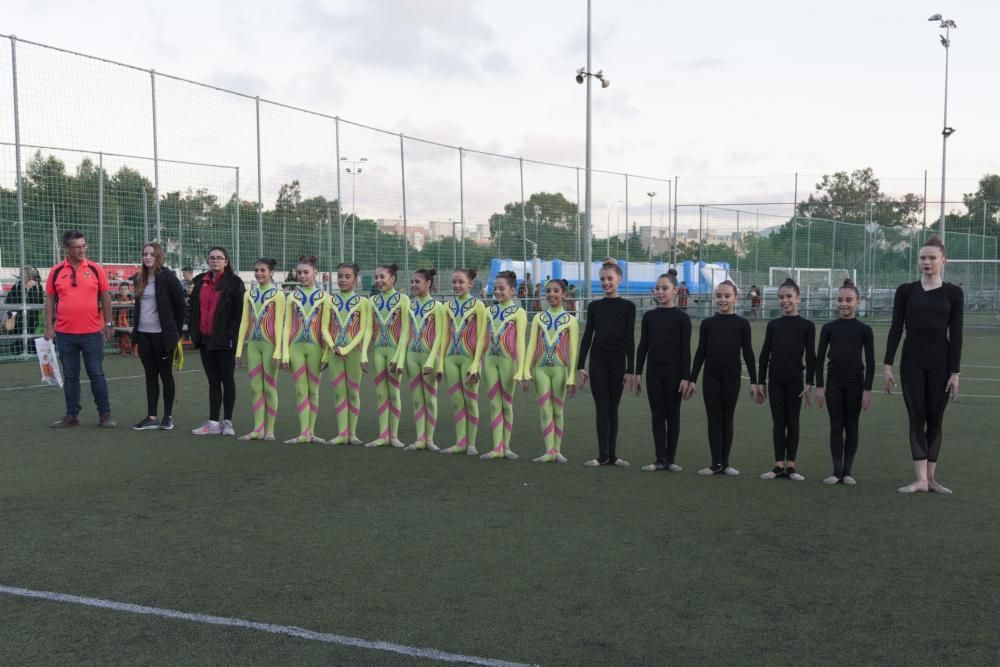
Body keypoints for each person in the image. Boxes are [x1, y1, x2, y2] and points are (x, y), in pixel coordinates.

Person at [883, 236, 963, 495]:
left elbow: (957, 334)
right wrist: (887, 365)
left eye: (932, 257)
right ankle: (919, 479)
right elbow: (896, 328)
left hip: (941, 363)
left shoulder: (954, 293)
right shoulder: (905, 291)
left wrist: (955, 372)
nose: (926, 262)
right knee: (916, 417)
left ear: (943, 260)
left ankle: (931, 479)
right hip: (912, 362)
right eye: (922, 258)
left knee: (935, 418)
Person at [44, 230, 117, 428]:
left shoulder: (95, 269)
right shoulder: (56, 271)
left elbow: (105, 296)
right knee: (70, 376)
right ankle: (72, 415)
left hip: (92, 333)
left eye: (84, 245)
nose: (82, 249)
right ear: (66, 248)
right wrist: (49, 326)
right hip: (65, 334)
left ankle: (105, 415)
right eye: (77, 246)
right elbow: (50, 299)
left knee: (96, 373)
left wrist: (108, 323)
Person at [688, 280, 758, 476]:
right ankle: (715, 463)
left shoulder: (742, 324)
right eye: (718, 296)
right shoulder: (707, 324)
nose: (722, 300)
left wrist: (754, 381)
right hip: (711, 376)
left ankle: (725, 463)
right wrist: (692, 379)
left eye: (727, 296)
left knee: (727, 418)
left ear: (735, 298)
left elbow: (749, 353)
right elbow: (701, 352)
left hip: (731, 377)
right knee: (713, 419)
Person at [815, 278, 874, 486]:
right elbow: (819, 358)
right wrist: (820, 386)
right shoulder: (829, 328)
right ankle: (836, 471)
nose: (843, 304)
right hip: (834, 383)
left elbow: (871, 362)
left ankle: (848, 472)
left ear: (857, 302)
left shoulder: (864, 330)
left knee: (852, 425)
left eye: (848, 300)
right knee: (836, 426)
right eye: (840, 300)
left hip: (855, 383)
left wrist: (867, 390)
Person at [578, 259, 636, 468]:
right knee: (602, 408)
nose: (606, 282)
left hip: (618, 363)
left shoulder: (628, 307)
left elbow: (630, 340)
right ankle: (602, 455)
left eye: (610, 278)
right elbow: (587, 336)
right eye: (602, 279)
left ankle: (612, 455)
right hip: (598, 363)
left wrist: (631, 369)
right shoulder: (594, 306)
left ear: (619, 279)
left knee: (613, 408)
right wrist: (581, 365)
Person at [756, 278, 815, 481]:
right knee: (778, 422)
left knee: (793, 421)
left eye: (789, 296)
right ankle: (778, 465)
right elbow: (765, 354)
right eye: (781, 297)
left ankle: (791, 465)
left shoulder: (807, 326)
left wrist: (809, 382)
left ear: (798, 298)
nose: (785, 300)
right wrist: (760, 382)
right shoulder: (773, 325)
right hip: (776, 380)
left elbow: (811, 355)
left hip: (795, 381)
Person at [635, 269, 692, 472]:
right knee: (657, 415)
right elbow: (643, 346)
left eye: (665, 288)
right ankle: (660, 459)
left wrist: (687, 377)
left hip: (675, 374)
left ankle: (671, 459)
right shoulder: (649, 316)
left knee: (673, 414)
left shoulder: (682, 319)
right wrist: (638, 372)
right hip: (654, 374)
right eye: (657, 288)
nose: (660, 292)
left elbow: (685, 350)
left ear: (675, 290)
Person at [188, 246, 245, 436]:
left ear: (226, 262)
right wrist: (194, 332)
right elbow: (194, 309)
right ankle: (213, 423)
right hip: (205, 340)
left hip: (225, 340)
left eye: (219, 258)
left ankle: (227, 422)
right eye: (212, 258)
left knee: (227, 379)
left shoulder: (235, 283)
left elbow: (239, 313)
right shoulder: (200, 282)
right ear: (208, 261)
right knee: (213, 381)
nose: (215, 261)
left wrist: (231, 335)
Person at [129, 242, 186, 431]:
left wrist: (174, 333)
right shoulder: (139, 278)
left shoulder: (169, 278)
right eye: (144, 254)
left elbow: (181, 306)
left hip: (163, 336)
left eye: (151, 254)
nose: (147, 257)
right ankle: (151, 416)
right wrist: (136, 335)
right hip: (144, 335)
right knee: (150, 375)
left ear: (158, 256)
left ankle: (167, 416)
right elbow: (139, 308)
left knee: (165, 374)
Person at [525, 278, 579, 463]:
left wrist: (571, 377)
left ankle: (558, 450)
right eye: (548, 291)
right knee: (545, 411)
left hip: (559, 370)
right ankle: (549, 450)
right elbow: (531, 345)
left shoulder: (570, 320)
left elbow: (573, 351)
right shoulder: (539, 318)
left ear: (564, 294)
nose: (551, 294)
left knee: (558, 410)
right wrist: (525, 370)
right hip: (540, 369)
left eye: (556, 291)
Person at [235, 258, 286, 441]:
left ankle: (270, 430)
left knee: (270, 388)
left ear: (271, 273)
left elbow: (280, 324)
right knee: (256, 388)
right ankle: (258, 429)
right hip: (254, 347)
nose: (259, 273)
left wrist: (278, 351)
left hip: (270, 346)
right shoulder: (249, 294)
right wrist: (239, 349)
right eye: (256, 270)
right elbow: (244, 323)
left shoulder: (278, 295)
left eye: (263, 270)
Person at [439, 268, 488, 455]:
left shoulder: (478, 306)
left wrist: (476, 364)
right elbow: (444, 336)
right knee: (457, 402)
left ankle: (472, 444)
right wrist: (440, 363)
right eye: (454, 282)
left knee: (471, 401)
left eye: (461, 282)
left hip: (469, 360)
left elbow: (483, 337)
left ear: (470, 284)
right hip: (451, 359)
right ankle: (460, 442)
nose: (457, 285)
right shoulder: (447, 307)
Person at [280, 255, 328, 444]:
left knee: (313, 390)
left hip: (316, 349)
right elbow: (287, 327)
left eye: (306, 272)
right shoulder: (292, 297)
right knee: (301, 391)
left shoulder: (325, 297)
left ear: (315, 273)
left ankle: (311, 432)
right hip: (296, 349)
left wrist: (326, 354)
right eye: (299, 273)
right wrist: (284, 353)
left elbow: (326, 329)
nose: (302, 276)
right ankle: (303, 433)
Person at [481, 270, 527, 460]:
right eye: (495, 288)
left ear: (512, 290)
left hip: (508, 363)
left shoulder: (519, 312)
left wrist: (522, 370)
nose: (497, 292)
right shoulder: (489, 311)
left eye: (502, 288)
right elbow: (483, 340)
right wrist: (477, 363)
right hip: (490, 362)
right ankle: (496, 447)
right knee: (494, 405)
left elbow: (520, 343)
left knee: (506, 405)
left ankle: (506, 447)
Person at [324, 262, 372, 446]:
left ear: (356, 280)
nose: (342, 280)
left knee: (353, 392)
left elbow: (363, 329)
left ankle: (353, 434)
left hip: (353, 352)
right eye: (340, 276)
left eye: (347, 276)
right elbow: (324, 327)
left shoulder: (363, 302)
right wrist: (334, 346)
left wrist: (347, 349)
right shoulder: (330, 300)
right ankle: (341, 433)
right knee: (339, 393)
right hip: (334, 352)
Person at [365, 263, 411, 448]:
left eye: (382, 277)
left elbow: (406, 330)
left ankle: (394, 436)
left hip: (394, 353)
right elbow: (369, 329)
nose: (378, 281)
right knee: (381, 394)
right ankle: (383, 435)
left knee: (394, 393)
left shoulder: (403, 299)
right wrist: (363, 355)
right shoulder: (372, 301)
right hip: (378, 352)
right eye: (376, 277)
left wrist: (399, 358)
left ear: (392, 279)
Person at [403, 268, 446, 451]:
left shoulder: (437, 306)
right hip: (412, 357)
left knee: (430, 398)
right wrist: (400, 359)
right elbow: (405, 333)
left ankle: (430, 439)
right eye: (412, 282)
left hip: (429, 358)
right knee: (416, 400)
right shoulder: (410, 305)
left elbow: (439, 336)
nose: (413, 285)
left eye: (417, 282)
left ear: (428, 284)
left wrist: (431, 361)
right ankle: (420, 439)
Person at [3, 266, 44, 356]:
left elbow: (40, 301)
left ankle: (28, 351)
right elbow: (10, 299)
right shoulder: (18, 285)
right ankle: (20, 351)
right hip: (19, 315)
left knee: (30, 333)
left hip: (32, 315)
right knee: (20, 333)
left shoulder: (37, 285)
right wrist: (11, 312)